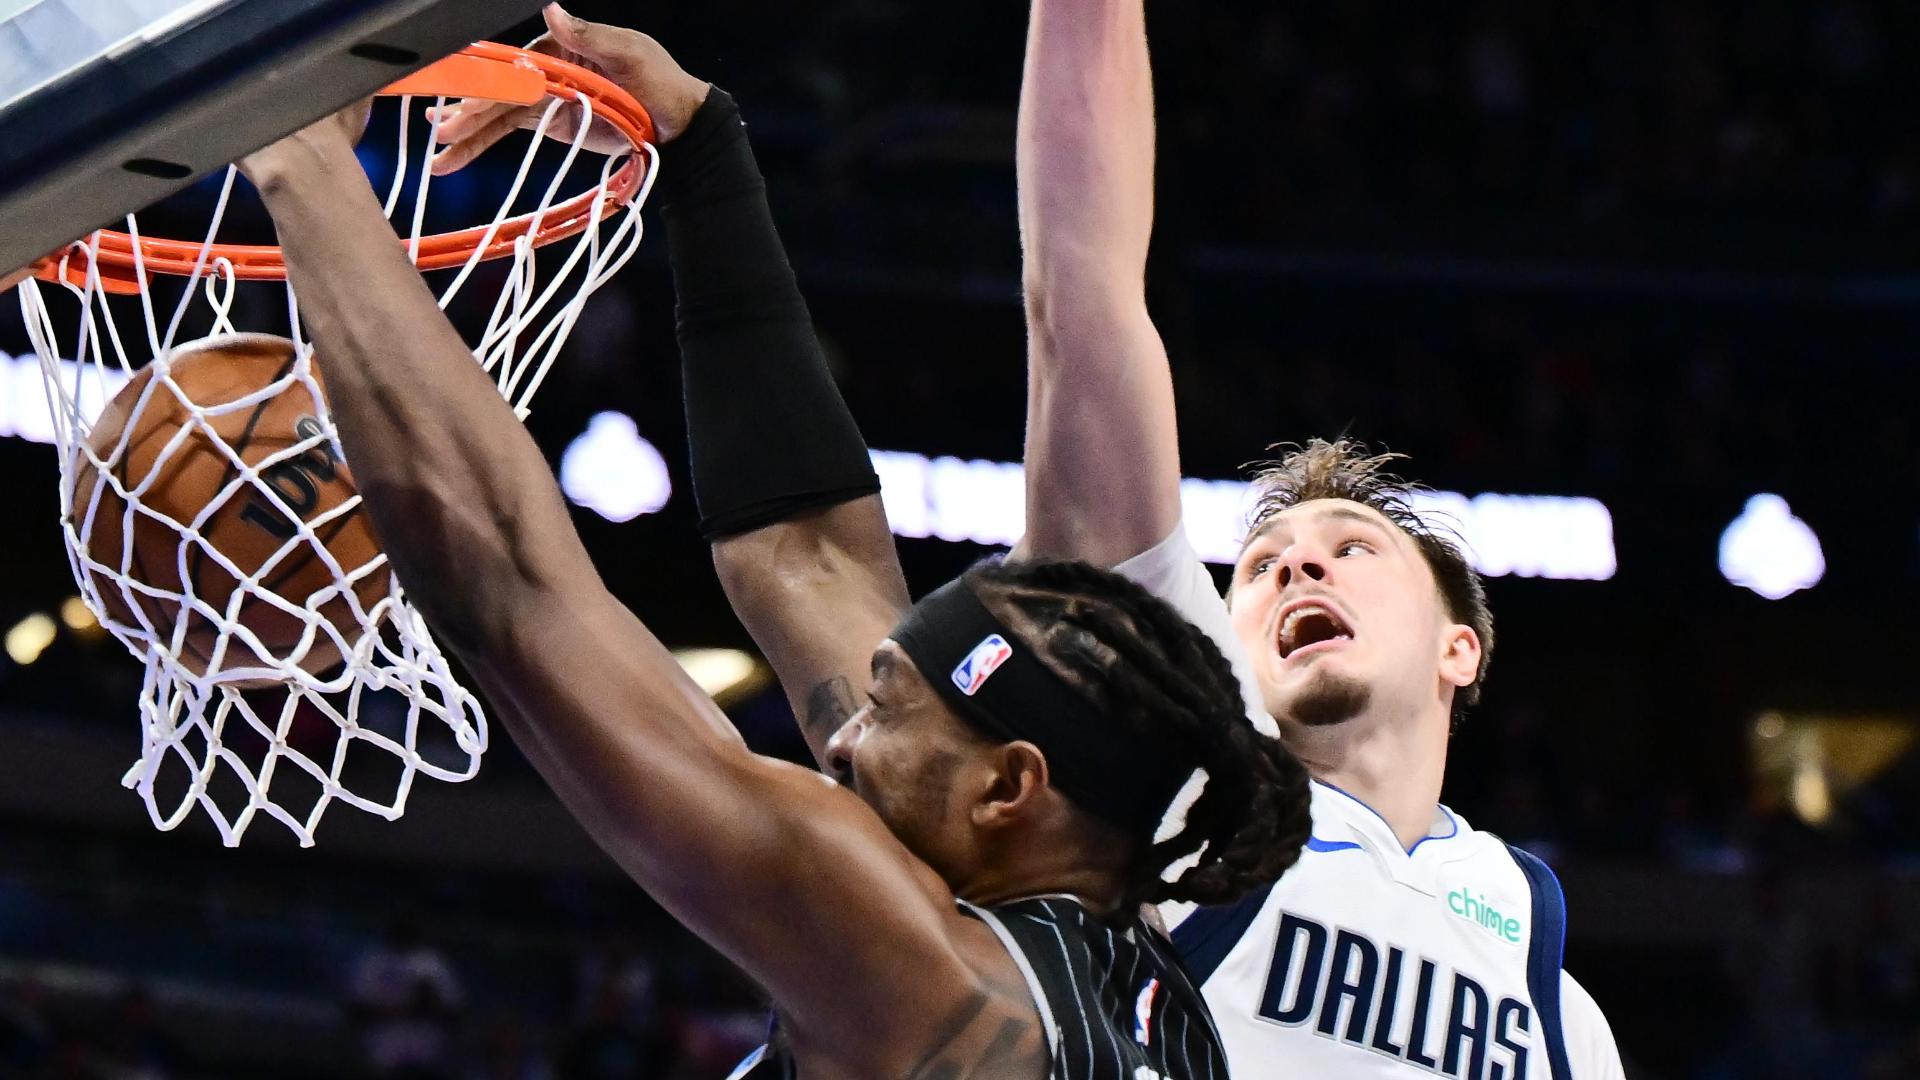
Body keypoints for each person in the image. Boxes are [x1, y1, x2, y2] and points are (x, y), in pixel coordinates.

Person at [240, 7, 1312, 1078]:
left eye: (886, 712)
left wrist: (306, 164)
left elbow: (517, 603)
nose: (838, 741)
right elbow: (810, 560)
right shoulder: (1130, 987)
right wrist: (702, 149)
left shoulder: (932, 983)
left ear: (1008, 790)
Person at [1011, 1, 1626, 1076]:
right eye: (1258, 567)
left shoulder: (1557, 1005)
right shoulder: (1183, 808)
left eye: (1354, 548)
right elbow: (1081, 303)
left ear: (1458, 649)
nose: (1298, 561)